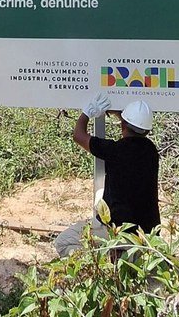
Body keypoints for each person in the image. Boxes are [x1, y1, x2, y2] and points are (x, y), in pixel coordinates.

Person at [54, 93, 161, 258]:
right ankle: (128, 260)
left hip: (117, 230)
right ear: (147, 129)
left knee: (64, 242)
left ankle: (102, 265)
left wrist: (86, 114)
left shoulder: (116, 150)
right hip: (146, 235)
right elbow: (132, 131)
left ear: (123, 124)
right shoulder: (151, 152)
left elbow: (79, 135)